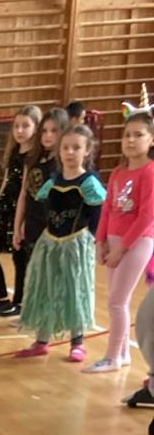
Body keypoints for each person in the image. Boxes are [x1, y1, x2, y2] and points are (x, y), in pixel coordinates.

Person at [17, 124, 108, 362]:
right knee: (45, 288)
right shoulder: (54, 180)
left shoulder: (88, 182)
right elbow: (43, 208)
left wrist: (94, 239)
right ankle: (41, 340)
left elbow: (98, 214)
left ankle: (77, 342)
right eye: (65, 147)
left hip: (75, 245)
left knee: (74, 290)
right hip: (50, 243)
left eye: (76, 148)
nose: (70, 152)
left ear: (87, 150)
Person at [89, 110, 154, 374]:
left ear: (151, 139)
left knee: (117, 301)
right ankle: (123, 353)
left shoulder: (150, 172)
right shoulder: (118, 172)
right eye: (127, 135)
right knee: (117, 301)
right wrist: (100, 241)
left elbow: (146, 216)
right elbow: (107, 209)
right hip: (114, 241)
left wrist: (122, 249)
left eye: (138, 135)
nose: (131, 140)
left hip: (137, 242)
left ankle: (112, 357)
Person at [0, 104, 41, 317]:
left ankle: (19, 303)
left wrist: (21, 220)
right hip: (4, 208)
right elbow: (6, 180)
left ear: (36, 127)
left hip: (20, 210)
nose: (20, 131)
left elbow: (25, 190)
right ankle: (2, 299)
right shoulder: (14, 152)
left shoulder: (33, 156)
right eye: (16, 126)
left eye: (25, 126)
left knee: (19, 256)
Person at [12, 107, 68, 304]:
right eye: (44, 131)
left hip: (52, 226)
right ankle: (32, 311)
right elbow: (24, 195)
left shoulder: (62, 164)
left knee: (51, 275)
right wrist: (17, 226)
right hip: (33, 224)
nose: (48, 136)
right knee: (32, 272)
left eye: (54, 131)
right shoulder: (32, 160)